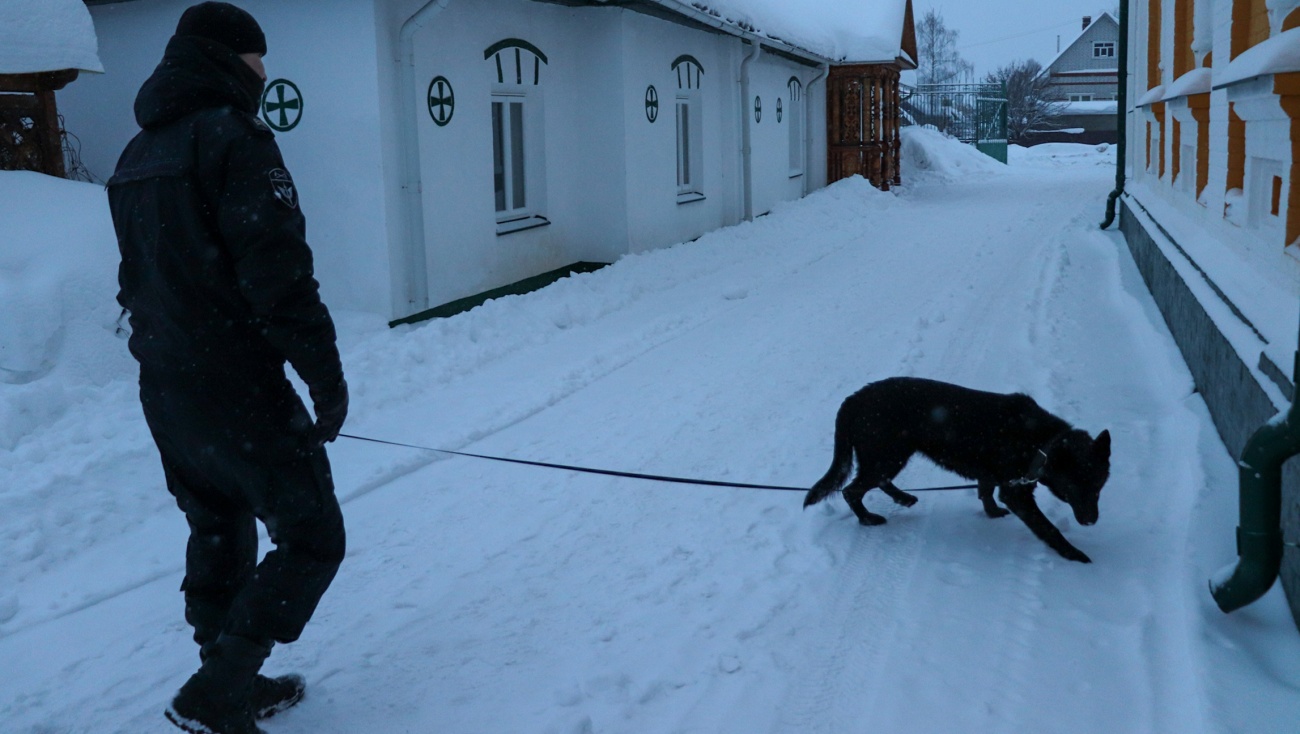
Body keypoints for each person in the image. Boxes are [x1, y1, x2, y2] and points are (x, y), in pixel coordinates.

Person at [106, 3, 348, 733]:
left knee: (217, 524)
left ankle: (227, 672)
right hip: (237, 386)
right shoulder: (235, 140)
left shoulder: (135, 154)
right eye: (257, 60)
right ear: (226, 59)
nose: (264, 73)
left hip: (167, 386)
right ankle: (220, 688)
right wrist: (325, 380)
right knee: (312, 537)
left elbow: (134, 280)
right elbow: (280, 277)